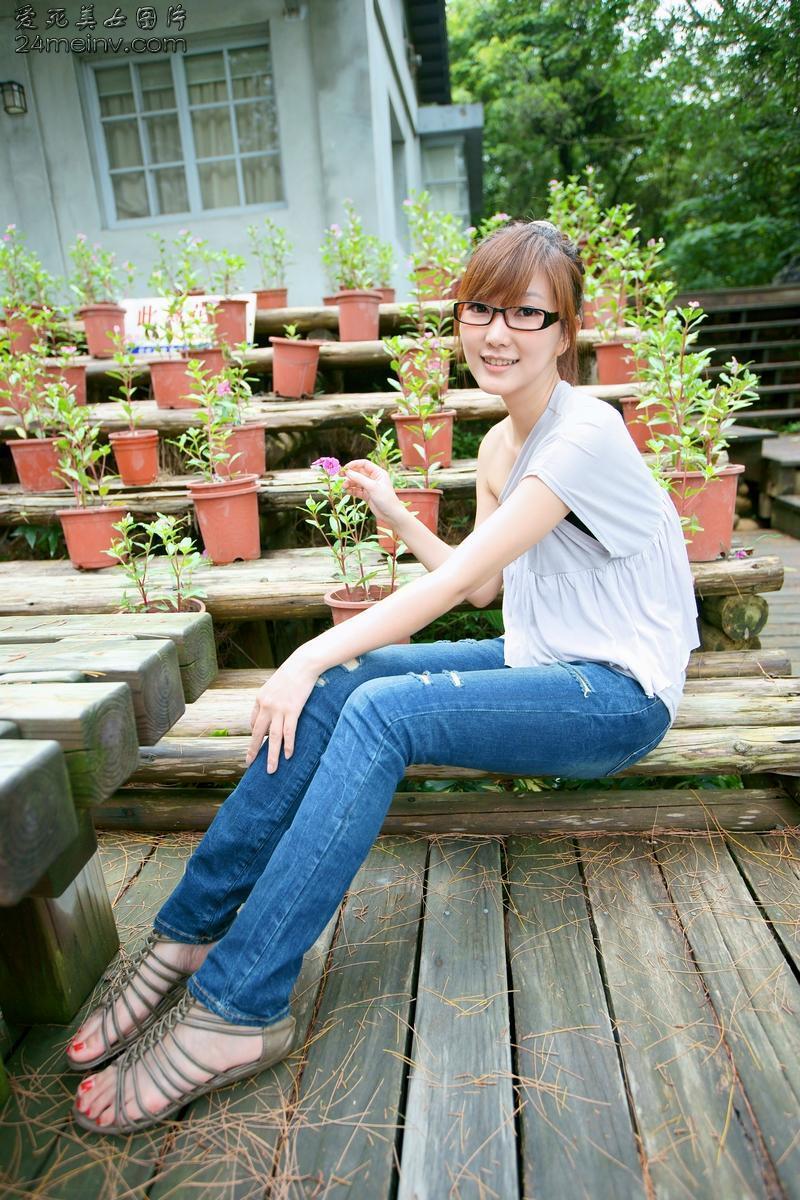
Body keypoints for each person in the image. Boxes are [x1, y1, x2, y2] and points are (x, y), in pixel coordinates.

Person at [67, 219, 699, 1134]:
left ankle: (238, 1012)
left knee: (375, 708)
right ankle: (186, 937)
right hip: (546, 663)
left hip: (617, 697)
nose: (496, 332)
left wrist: (307, 648)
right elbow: (482, 578)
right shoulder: (498, 447)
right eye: (479, 307)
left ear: (566, 332)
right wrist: (397, 512)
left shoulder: (585, 433)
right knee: (341, 692)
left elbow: (450, 592)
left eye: (526, 313)